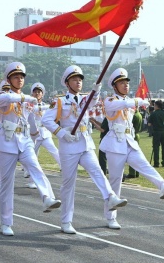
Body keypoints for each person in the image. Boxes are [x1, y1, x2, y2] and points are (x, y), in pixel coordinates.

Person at [41, 65, 127, 234]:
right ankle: (66, 221)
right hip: (68, 146)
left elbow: (93, 101)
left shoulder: (86, 98)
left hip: (85, 143)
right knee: (68, 184)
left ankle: (110, 197)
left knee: (97, 172)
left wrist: (97, 88)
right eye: (74, 79)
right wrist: (61, 133)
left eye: (80, 80)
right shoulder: (59, 101)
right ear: (67, 83)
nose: (78, 82)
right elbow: (46, 120)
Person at [100, 68, 164, 229]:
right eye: (122, 83)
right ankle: (110, 217)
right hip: (115, 143)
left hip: (129, 141)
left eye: (127, 83)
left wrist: (138, 101)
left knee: (144, 165)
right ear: (114, 86)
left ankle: (163, 186)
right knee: (115, 181)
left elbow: (129, 108)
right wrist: (138, 101)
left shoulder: (128, 101)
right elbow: (122, 104)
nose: (125, 85)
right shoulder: (110, 100)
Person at [0, 63, 61, 236]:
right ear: (9, 79)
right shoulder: (4, 95)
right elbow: (3, 101)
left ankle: (47, 198)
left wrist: (36, 133)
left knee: (35, 167)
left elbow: (30, 119)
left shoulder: (26, 99)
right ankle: (6, 222)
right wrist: (25, 99)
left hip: (24, 140)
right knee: (7, 184)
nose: (20, 79)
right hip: (7, 142)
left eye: (22, 77)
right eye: (15, 77)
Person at [147, 100, 164, 167]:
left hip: (156, 132)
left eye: (154, 105)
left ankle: (156, 163)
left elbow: (149, 124)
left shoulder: (153, 113)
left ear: (157, 106)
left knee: (156, 147)